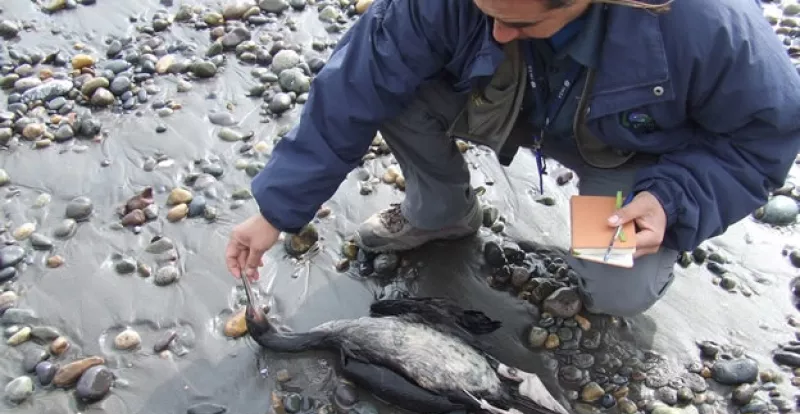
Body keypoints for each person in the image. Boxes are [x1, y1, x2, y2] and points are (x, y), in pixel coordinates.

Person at [225, 0, 800, 317]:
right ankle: (443, 212)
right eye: (486, 11)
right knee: (395, 90)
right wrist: (277, 211)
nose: (497, 32)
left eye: (520, 22)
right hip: (504, 102)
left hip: (626, 150)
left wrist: (672, 200)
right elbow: (356, 84)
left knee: (614, 293)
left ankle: (623, 237)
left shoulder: (711, 28)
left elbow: (760, 141)